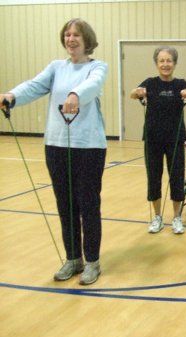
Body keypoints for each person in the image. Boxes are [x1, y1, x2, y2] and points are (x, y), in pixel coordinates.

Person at [0, 18, 108, 285]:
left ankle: (92, 261)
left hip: (88, 146)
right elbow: (34, 86)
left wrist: (74, 95)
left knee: (88, 204)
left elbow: (92, 86)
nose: (71, 39)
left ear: (87, 40)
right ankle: (73, 259)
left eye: (76, 35)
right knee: (65, 204)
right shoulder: (56, 67)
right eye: (67, 35)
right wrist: (11, 95)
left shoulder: (97, 66)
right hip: (56, 145)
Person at [130, 46, 186, 234]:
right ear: (157, 63)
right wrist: (138, 92)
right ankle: (157, 217)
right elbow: (134, 93)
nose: (165, 64)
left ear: (174, 63)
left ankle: (177, 218)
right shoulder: (150, 83)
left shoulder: (179, 84)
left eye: (169, 61)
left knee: (176, 178)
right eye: (162, 61)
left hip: (175, 139)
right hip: (152, 139)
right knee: (154, 177)